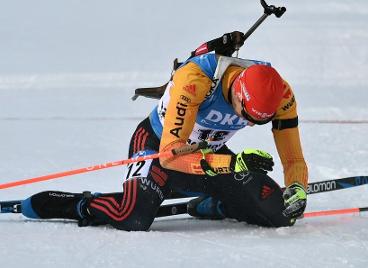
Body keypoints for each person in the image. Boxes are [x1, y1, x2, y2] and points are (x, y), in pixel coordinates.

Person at [20, 31, 309, 231]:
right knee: (132, 218)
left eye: (258, 122)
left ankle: (216, 204)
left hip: (209, 157)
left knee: (281, 214)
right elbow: (170, 155)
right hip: (158, 147)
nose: (246, 123)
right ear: (238, 92)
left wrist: (297, 187)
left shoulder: (281, 93)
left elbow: (293, 160)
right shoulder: (195, 80)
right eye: (245, 115)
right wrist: (232, 164)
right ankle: (77, 205)